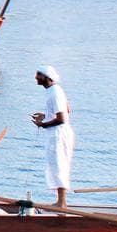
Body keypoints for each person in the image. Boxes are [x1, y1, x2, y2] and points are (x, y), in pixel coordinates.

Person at [32, 65, 75, 208]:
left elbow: (62, 118)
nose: (36, 77)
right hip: (58, 132)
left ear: (46, 77)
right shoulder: (55, 91)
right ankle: (60, 201)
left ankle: (62, 202)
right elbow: (67, 110)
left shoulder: (54, 93)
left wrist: (43, 124)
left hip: (59, 133)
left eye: (38, 74)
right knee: (56, 164)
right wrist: (45, 116)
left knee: (59, 165)